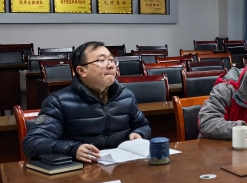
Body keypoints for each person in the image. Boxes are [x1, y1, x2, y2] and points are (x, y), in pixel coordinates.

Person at [23, 41, 151, 163]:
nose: (111, 65)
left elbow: (143, 126)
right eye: (101, 60)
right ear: (82, 71)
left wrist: (139, 133)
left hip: (123, 166)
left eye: (112, 60)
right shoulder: (59, 102)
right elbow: (33, 143)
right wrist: (72, 149)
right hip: (84, 170)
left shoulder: (126, 96)